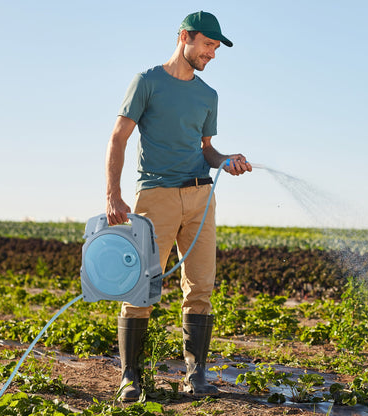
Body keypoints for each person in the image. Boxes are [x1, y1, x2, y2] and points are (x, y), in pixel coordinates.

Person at [105, 11, 252, 401]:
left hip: (201, 197)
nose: (212, 54)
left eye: (216, 48)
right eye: (207, 45)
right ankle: (130, 378)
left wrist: (226, 161)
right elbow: (118, 137)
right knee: (141, 287)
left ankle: (196, 375)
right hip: (156, 196)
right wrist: (113, 195)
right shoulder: (147, 82)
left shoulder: (208, 95)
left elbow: (206, 150)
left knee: (201, 286)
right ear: (185, 37)